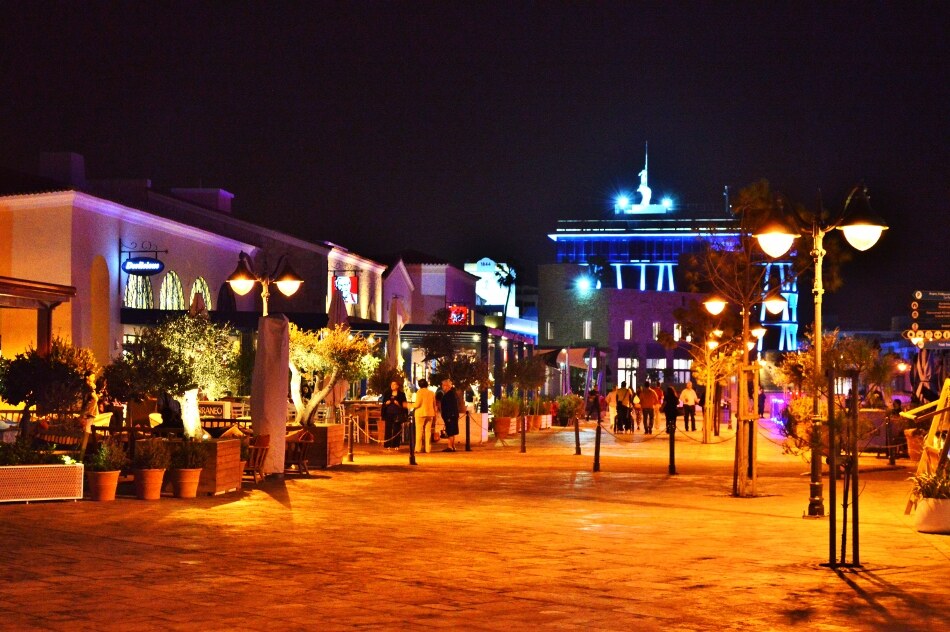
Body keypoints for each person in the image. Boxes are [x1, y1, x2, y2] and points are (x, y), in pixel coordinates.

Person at [380, 380, 408, 450]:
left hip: (397, 414)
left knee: (396, 429)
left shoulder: (401, 394)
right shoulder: (387, 393)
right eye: (391, 384)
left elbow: (404, 404)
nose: (392, 386)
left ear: (397, 386)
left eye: (394, 384)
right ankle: (387, 445)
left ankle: (396, 445)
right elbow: (383, 403)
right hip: (388, 413)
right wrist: (386, 403)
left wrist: (398, 404)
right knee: (388, 429)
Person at [410, 378, 437, 454]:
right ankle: (428, 449)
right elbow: (434, 404)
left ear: (419, 385)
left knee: (419, 431)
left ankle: (418, 448)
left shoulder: (419, 392)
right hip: (430, 413)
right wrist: (435, 413)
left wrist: (409, 405)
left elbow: (417, 404)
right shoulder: (431, 393)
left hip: (420, 413)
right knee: (428, 431)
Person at [436, 378, 460, 452]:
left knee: (450, 432)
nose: (442, 387)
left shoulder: (449, 395)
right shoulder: (451, 394)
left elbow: (450, 407)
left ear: (447, 386)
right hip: (452, 416)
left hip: (450, 416)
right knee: (451, 431)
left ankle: (450, 446)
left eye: (443, 385)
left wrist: (448, 416)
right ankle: (453, 446)